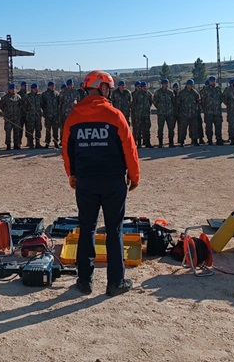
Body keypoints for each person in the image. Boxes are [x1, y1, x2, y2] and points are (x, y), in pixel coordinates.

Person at [62, 70, 139, 297]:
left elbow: (67, 150)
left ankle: (84, 281)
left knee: (87, 228)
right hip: (113, 182)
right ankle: (115, 282)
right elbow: (129, 149)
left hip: (86, 182)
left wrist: (72, 175)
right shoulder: (115, 116)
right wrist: (134, 177)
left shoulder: (73, 117)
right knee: (114, 230)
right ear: (102, 88)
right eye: (108, 88)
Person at [152, 78, 175, 147]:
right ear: (162, 84)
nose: (166, 85)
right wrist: (159, 107)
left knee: (171, 128)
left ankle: (171, 142)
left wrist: (171, 108)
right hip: (161, 113)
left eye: (167, 83)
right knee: (160, 128)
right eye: (165, 83)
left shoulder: (170, 92)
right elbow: (154, 101)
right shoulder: (158, 92)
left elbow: (173, 101)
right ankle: (160, 143)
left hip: (169, 113)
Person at [177, 79, 201, 146]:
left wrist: (196, 110)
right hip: (184, 114)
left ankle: (195, 140)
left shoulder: (195, 93)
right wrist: (181, 111)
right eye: (190, 84)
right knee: (183, 128)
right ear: (187, 85)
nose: (191, 86)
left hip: (193, 114)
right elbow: (178, 102)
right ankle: (182, 141)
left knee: (194, 128)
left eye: (192, 85)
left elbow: (198, 101)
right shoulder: (182, 93)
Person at [200, 76, 224, 145]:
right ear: (209, 82)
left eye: (214, 81)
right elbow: (202, 100)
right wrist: (205, 108)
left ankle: (219, 139)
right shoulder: (205, 90)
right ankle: (209, 139)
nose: (213, 82)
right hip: (208, 112)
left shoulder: (218, 89)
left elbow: (221, 99)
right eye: (212, 81)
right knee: (208, 127)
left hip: (217, 112)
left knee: (218, 126)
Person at [0, 83, 24, 150]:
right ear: (9, 90)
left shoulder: (18, 97)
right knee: (8, 132)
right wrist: (6, 112)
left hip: (16, 118)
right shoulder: (5, 98)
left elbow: (21, 106)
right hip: (8, 118)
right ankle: (8, 145)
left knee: (16, 132)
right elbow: (1, 106)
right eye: (11, 89)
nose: (13, 90)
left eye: (14, 89)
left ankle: (16, 144)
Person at [22, 83, 43, 148]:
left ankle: (38, 143)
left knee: (38, 130)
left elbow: (42, 104)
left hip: (38, 116)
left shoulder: (39, 96)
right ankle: (31, 144)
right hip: (30, 116)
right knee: (30, 130)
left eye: (37, 88)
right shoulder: (28, 96)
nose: (36, 90)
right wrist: (29, 113)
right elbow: (24, 106)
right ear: (32, 89)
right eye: (35, 89)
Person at [40, 81, 60, 148]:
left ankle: (56, 142)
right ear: (48, 86)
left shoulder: (57, 94)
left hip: (55, 115)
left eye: (54, 86)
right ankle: (47, 143)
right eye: (52, 86)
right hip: (48, 115)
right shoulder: (44, 94)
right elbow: (42, 104)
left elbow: (59, 103)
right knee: (48, 130)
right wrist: (45, 112)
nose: (53, 87)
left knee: (55, 130)